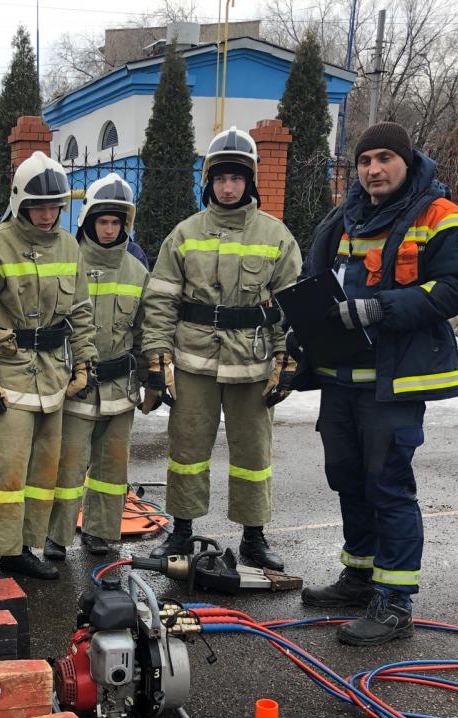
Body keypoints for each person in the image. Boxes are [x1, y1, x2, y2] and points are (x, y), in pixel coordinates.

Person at [291, 122, 458, 647]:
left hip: (393, 385)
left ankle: (395, 603)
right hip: (342, 378)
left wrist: (378, 308)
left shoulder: (441, 216)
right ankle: (359, 577)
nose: (373, 169)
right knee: (347, 477)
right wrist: (299, 331)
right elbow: (321, 281)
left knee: (388, 485)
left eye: (384, 159)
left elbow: (455, 288)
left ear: (406, 160)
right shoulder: (345, 216)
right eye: (365, 160)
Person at [139, 127, 301, 570]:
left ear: (250, 181)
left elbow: (293, 306)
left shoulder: (276, 235)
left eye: (237, 178)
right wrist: (156, 355)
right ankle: (183, 531)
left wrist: (288, 358)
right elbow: (160, 300)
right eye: (220, 178)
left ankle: (254, 537)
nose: (228, 187)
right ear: (208, 181)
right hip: (194, 362)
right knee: (187, 450)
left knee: (254, 455)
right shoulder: (185, 233)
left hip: (253, 363)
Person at [0, 151, 96, 582]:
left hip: (53, 378)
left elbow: (82, 312)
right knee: (4, 471)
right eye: (39, 205)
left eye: (55, 206)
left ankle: (19, 550)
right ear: (20, 201)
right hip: (7, 375)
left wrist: (85, 362)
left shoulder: (70, 247)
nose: (48, 214)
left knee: (41, 473)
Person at [45, 175, 147, 560]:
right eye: (102, 221)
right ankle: (57, 536)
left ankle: (100, 531)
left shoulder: (137, 272)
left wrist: (152, 372)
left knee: (111, 467)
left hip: (120, 389)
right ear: (87, 220)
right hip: (78, 386)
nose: (108, 229)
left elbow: (144, 328)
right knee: (68, 464)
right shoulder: (67, 261)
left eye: (115, 222)